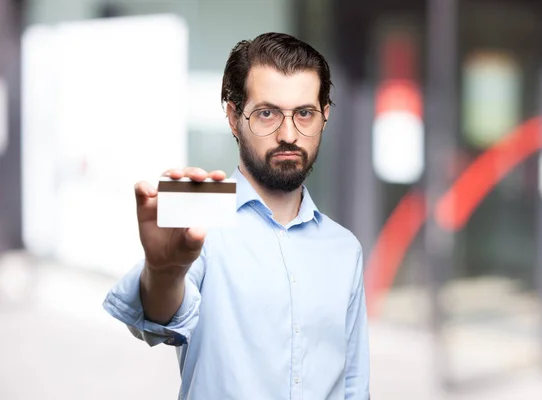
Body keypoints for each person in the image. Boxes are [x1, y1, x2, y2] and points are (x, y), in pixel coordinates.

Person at [103, 32, 370, 400]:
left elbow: (354, 386)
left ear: (325, 115)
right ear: (233, 116)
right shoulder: (199, 224)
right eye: (266, 113)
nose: (288, 134)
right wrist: (164, 272)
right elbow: (159, 320)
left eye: (305, 113)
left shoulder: (345, 249)